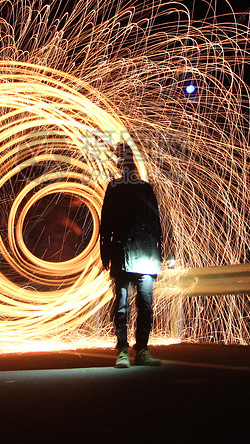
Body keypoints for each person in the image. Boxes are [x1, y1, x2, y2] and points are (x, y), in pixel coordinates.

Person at [99, 142, 164, 368]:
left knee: (143, 305)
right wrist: (105, 251)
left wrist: (160, 253)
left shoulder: (144, 188)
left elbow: (156, 223)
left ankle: (141, 349)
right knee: (123, 306)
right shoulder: (115, 188)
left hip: (143, 256)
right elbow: (106, 223)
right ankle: (124, 349)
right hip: (125, 255)